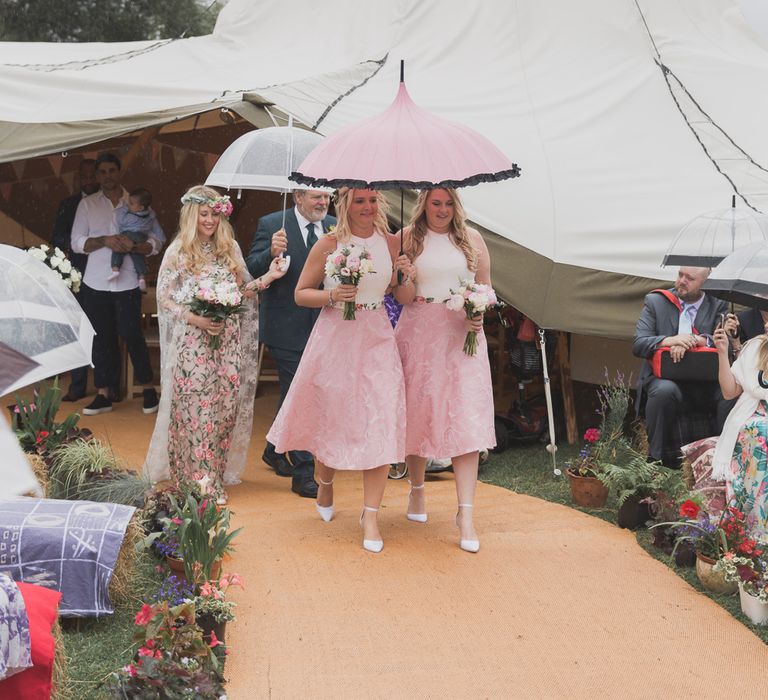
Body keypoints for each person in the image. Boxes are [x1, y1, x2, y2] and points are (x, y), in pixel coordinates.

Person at [266, 188, 405, 553]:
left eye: (372, 200)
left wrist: (403, 276)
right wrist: (332, 296)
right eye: (359, 201)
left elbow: (393, 291)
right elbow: (300, 292)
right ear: (345, 205)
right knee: (335, 418)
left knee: (379, 420)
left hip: (377, 338)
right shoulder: (329, 242)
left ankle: (371, 515)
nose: (367, 207)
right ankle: (324, 479)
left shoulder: (390, 243)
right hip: (335, 339)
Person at [144, 185, 286, 504]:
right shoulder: (179, 250)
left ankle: (212, 472)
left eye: (215, 214)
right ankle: (199, 480)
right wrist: (196, 319)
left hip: (228, 343)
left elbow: (243, 292)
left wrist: (271, 276)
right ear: (193, 215)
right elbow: (164, 298)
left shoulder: (229, 248)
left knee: (223, 411)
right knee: (197, 410)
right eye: (204, 214)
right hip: (194, 343)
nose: (209, 220)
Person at [392, 188, 495, 553]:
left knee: (465, 418)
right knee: (420, 413)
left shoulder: (474, 238)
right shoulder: (408, 237)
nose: (442, 210)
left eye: (449, 203)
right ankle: (416, 490)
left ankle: (465, 514)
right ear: (424, 204)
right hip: (419, 332)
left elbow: (485, 286)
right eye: (436, 203)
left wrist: (478, 309)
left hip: (462, 334)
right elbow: (402, 298)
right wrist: (404, 276)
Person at [246, 189, 336, 499]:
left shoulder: (336, 228)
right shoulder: (273, 224)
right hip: (285, 327)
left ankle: (273, 448)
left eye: (326, 196)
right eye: (316, 197)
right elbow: (251, 269)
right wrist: (270, 253)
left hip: (327, 327)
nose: (323, 202)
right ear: (297, 197)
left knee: (307, 392)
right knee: (302, 393)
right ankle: (303, 471)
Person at [71, 152, 164, 416]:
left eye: (112, 171)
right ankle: (103, 394)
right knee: (101, 339)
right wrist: (105, 241)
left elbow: (157, 240)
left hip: (127, 282)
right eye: (102, 172)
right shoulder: (87, 205)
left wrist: (139, 246)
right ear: (97, 175)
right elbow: (77, 242)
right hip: (96, 281)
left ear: (119, 172)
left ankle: (148, 388)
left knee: (132, 334)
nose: (107, 176)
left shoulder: (136, 200)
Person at [632, 266, 732, 467]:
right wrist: (669, 340)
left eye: (690, 278)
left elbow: (725, 343)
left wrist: (699, 340)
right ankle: (654, 463)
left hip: (705, 384)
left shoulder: (719, 304)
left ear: (705, 282)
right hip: (666, 380)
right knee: (664, 390)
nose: (682, 281)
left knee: (729, 394)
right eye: (680, 275)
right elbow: (639, 344)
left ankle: (723, 460)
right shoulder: (656, 301)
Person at [712, 316, 768, 537]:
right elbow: (729, 391)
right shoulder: (755, 346)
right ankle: (751, 526)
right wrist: (722, 351)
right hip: (751, 417)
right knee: (761, 433)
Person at [51, 157, 98, 402]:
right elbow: (57, 236)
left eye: (93, 176)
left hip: (103, 275)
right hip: (77, 275)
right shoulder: (68, 204)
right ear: (79, 177)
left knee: (103, 330)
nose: (89, 181)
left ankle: (107, 387)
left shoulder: (108, 202)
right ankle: (77, 385)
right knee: (78, 329)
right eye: (85, 176)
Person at [108, 187, 163, 292]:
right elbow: (158, 231)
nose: (128, 205)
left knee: (118, 249)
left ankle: (115, 268)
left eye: (131, 203)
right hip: (142, 237)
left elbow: (120, 221)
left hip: (128, 235)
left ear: (141, 207)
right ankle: (141, 276)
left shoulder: (130, 217)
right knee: (138, 256)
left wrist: (124, 208)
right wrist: (161, 238)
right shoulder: (150, 216)